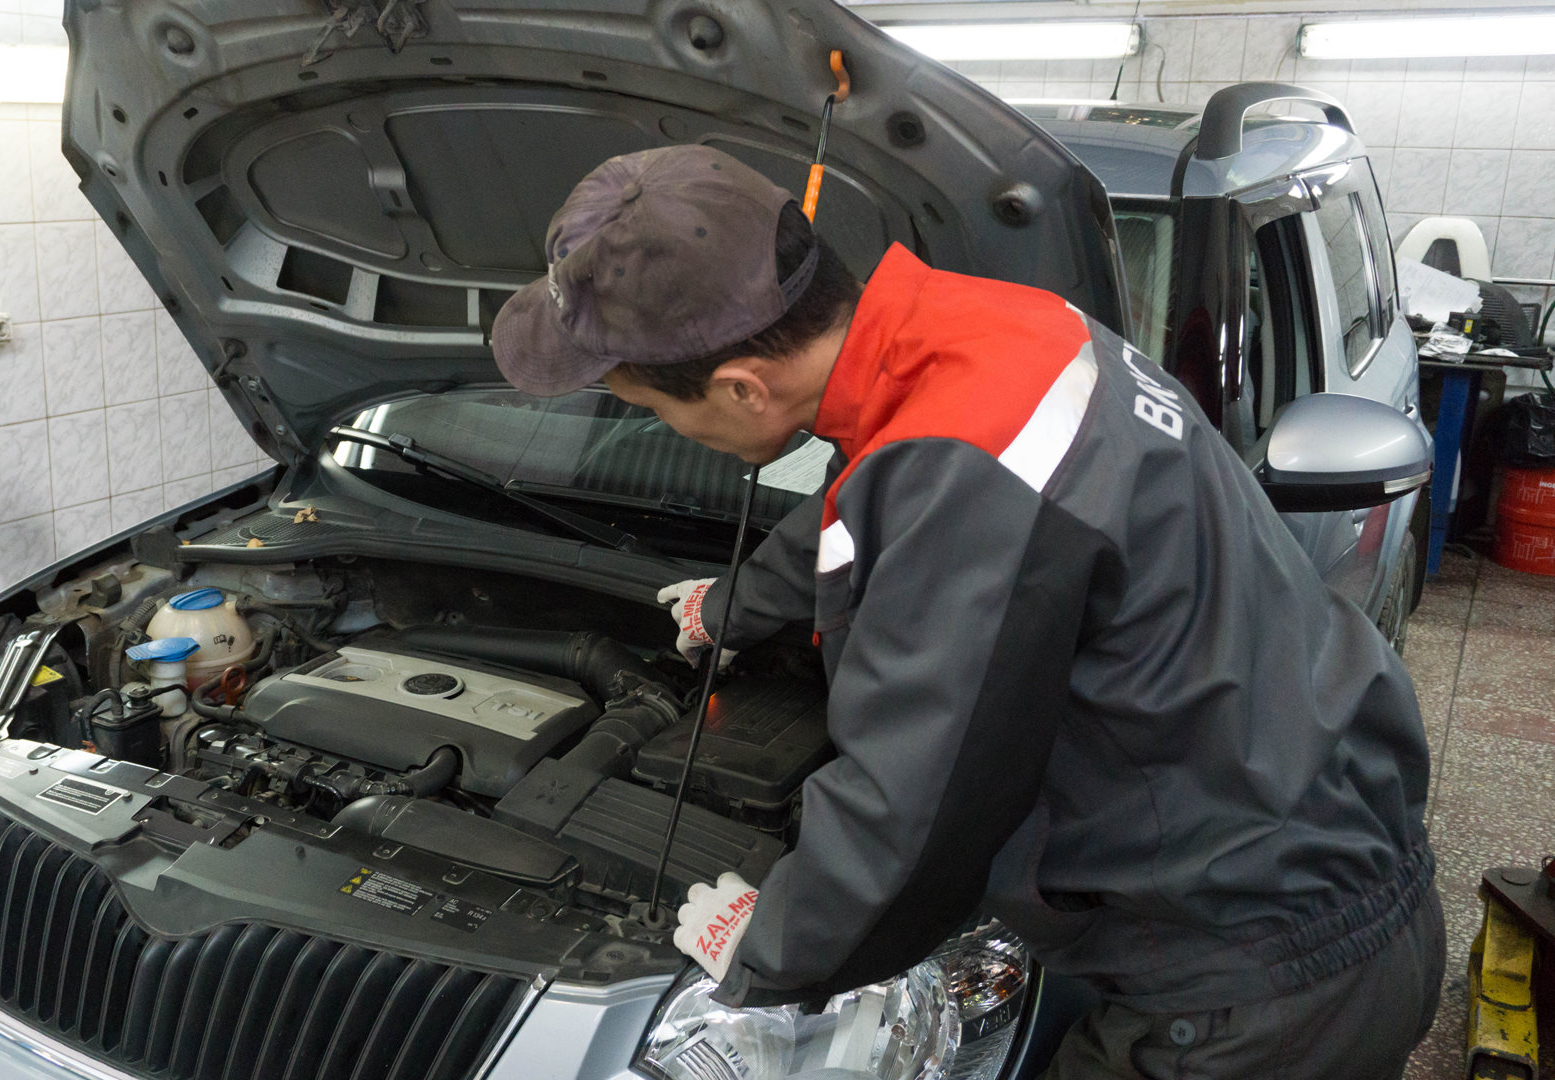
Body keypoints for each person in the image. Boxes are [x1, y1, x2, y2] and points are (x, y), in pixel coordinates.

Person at [489, 144, 1443, 1078]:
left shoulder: (966, 480)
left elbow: (920, 800)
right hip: (1316, 860)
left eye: (655, 409)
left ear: (742, 386)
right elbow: (864, 482)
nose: (672, 431)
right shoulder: (975, 331)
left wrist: (771, 944)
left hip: (1247, 990)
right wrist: (730, 607)